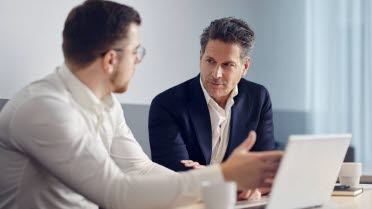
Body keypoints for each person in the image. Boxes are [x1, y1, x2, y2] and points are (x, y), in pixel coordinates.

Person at [0, 1, 282, 209]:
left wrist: (216, 184)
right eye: (136, 51)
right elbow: (116, 193)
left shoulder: (106, 104)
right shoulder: (45, 109)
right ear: (111, 60)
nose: (138, 60)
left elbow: (142, 170)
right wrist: (222, 176)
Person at [149, 17, 276, 172]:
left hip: (242, 197)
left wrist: (205, 173)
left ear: (245, 67)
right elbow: (176, 174)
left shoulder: (258, 98)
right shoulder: (167, 104)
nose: (216, 74)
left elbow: (265, 167)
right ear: (200, 57)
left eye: (227, 65)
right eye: (210, 61)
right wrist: (235, 178)